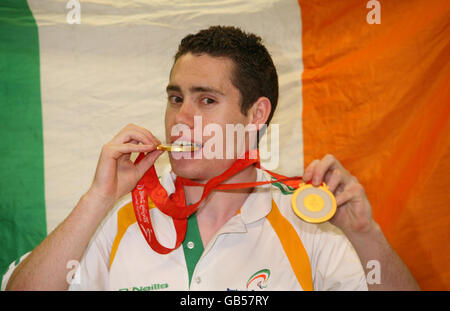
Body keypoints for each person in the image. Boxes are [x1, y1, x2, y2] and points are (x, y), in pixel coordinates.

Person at [2, 26, 419, 291]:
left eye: (206, 100)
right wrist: (97, 197)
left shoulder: (307, 224)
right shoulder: (119, 217)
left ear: (256, 115)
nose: (181, 119)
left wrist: (366, 237)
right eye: (175, 98)